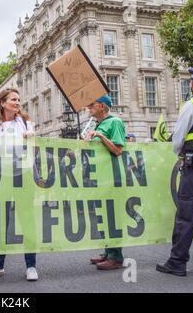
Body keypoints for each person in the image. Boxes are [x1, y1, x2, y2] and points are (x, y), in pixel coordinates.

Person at [0, 88, 38, 281]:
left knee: (27, 220)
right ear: (2, 103)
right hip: (1, 177)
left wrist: (31, 137)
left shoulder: (25, 122)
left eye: (19, 99)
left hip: (23, 175)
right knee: (0, 221)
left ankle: (31, 266)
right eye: (13, 99)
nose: (18, 102)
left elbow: (33, 144)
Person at [156, 66, 193, 277]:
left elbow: (178, 138)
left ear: (192, 84)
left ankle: (177, 262)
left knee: (187, 214)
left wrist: (181, 155)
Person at [85, 95, 126, 270]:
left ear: (102, 106)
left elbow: (117, 150)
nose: (88, 107)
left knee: (112, 217)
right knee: (103, 216)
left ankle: (116, 257)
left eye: (91, 104)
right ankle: (108, 252)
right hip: (99, 177)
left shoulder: (115, 122)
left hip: (112, 177)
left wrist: (100, 135)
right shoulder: (98, 124)